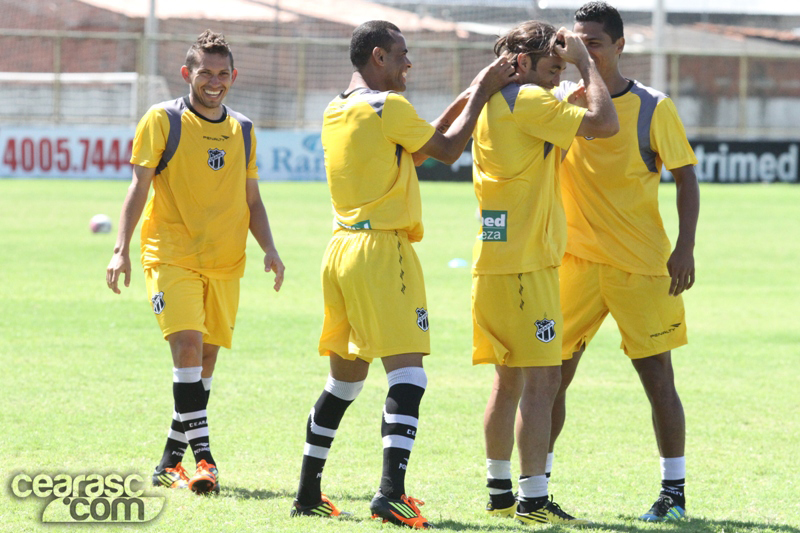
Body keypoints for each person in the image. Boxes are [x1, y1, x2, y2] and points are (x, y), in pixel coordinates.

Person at [289, 20, 517, 529]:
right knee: (408, 373)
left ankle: (307, 492)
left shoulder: (337, 109)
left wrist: (464, 97)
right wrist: (484, 88)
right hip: (381, 251)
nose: (409, 63)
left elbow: (410, 150)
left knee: (344, 382)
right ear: (378, 57)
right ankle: (391, 494)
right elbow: (447, 150)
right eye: (401, 55)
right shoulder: (388, 106)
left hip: (341, 249)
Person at [105, 30, 285, 495]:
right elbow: (138, 187)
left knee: (203, 366)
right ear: (187, 73)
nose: (214, 81)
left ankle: (170, 461)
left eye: (223, 73)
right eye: (205, 72)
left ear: (233, 77)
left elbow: (253, 200)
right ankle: (205, 459)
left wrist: (270, 248)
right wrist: (121, 248)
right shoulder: (162, 120)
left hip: (226, 261)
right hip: (171, 254)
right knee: (186, 345)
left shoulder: (243, 128)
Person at [548, 1, 700, 522]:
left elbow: (685, 177)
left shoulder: (655, 106)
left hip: (642, 266)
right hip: (575, 264)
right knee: (551, 377)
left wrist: (686, 247)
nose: (581, 49)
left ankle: (673, 494)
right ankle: (537, 489)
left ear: (619, 46)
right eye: (576, 39)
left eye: (593, 41)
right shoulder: (562, 102)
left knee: (658, 379)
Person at [471, 21, 618, 526]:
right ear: (520, 63)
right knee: (543, 381)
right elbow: (605, 123)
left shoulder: (499, 101)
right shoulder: (528, 101)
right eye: (550, 67)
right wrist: (587, 62)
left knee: (508, 381)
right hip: (526, 266)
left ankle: (499, 493)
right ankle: (533, 500)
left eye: (561, 68)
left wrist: (567, 90)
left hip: (495, 261)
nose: (557, 77)